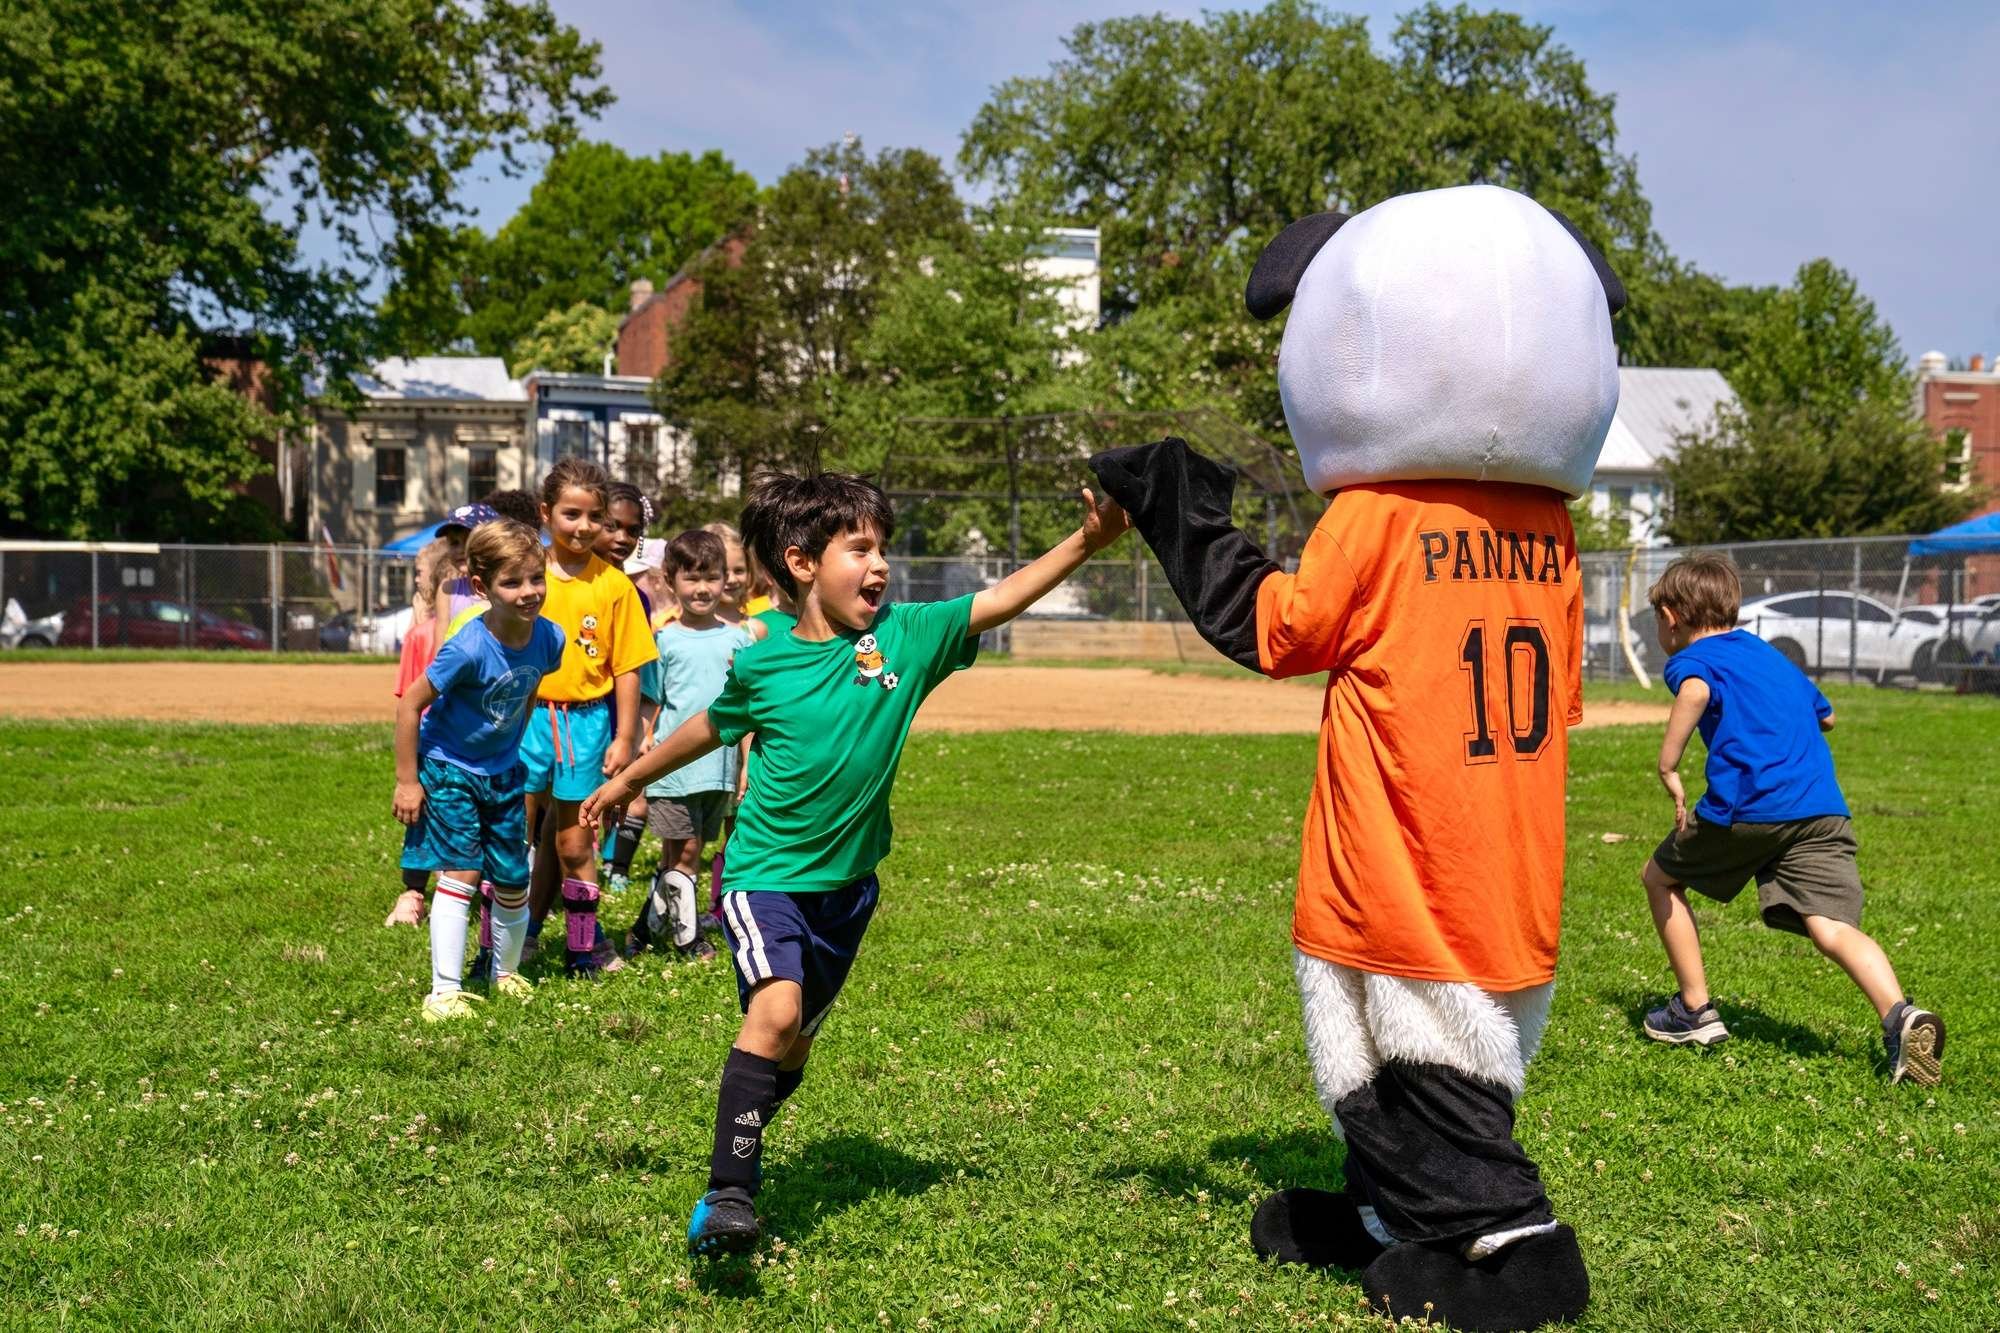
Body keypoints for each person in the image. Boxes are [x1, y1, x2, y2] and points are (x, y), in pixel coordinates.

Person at [582, 470, 1129, 1256]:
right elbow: (710, 724)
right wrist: (632, 775)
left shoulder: (904, 636)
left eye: (884, 549)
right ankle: (728, 1194)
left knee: (793, 1040)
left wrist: (1088, 540)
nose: (879, 566)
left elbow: (1000, 598)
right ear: (802, 563)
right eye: (859, 548)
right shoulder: (764, 663)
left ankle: (741, 1127)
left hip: (850, 891)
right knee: (771, 1015)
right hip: (765, 876)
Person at [1639, 553, 1944, 1085]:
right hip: (1821, 810)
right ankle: (1901, 1017)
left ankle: (1693, 1011)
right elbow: (1827, 714)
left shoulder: (1693, 660)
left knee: (1660, 877)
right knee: (1831, 926)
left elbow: (1695, 691)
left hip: (1748, 808)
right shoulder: (1771, 656)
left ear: (1671, 617)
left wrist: (1668, 764)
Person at [392, 520, 566, 1020]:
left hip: (504, 771)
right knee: (463, 871)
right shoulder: (467, 646)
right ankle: (443, 991)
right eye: (512, 583)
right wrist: (408, 781)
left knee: (514, 877)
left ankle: (505, 974)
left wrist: (510, 742)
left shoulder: (550, 639)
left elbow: (528, 688)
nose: (528, 592)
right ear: (481, 588)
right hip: (450, 768)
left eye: (536, 578)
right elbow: (410, 705)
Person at [517, 457, 658, 976]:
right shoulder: (527, 575)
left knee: (576, 840)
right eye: (571, 515)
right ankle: (507, 944)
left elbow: (627, 668)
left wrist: (624, 737)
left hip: (587, 724)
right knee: (512, 834)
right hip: (525, 720)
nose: (583, 528)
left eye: (593, 517)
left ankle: (583, 947)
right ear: (546, 512)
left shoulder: (615, 588)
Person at [624, 529, 752, 962]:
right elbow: (650, 699)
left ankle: (643, 929)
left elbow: (752, 709)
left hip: (718, 766)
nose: (703, 589)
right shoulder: (664, 640)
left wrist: (746, 764)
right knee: (688, 851)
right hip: (674, 765)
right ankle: (689, 940)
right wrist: (642, 741)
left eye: (712, 578)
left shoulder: (740, 639)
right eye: (692, 579)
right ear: (670, 580)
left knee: (676, 855)